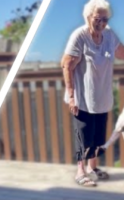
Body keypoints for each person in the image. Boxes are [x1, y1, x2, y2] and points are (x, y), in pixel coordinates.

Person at [61, 0, 124, 187]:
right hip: (82, 98)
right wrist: (71, 96)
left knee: (97, 135)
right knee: (84, 135)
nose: (102, 23)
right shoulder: (79, 37)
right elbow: (66, 65)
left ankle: (92, 167)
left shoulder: (109, 34)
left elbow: (121, 52)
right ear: (88, 17)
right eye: (98, 19)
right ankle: (80, 171)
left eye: (105, 19)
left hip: (102, 97)